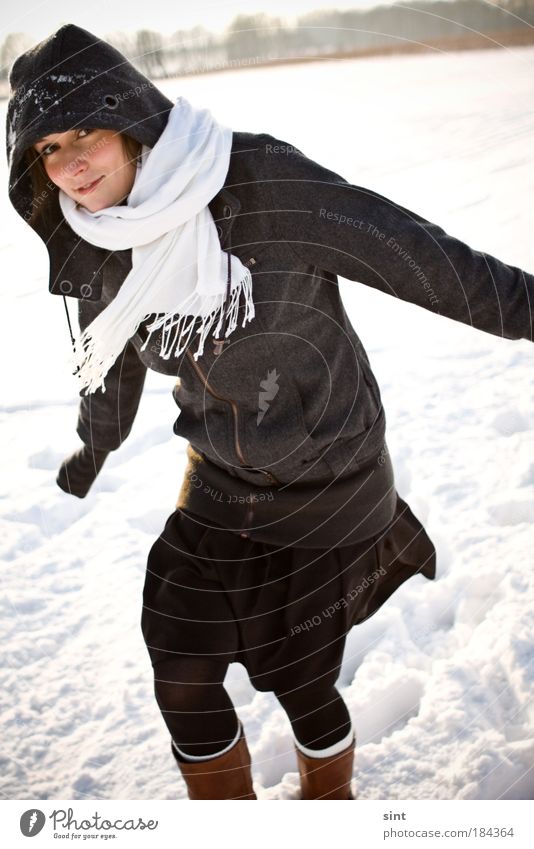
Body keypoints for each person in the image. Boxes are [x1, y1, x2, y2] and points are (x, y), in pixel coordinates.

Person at [6, 24, 533, 801]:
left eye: (86, 129)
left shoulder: (259, 179)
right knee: (179, 663)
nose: (72, 163)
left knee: (302, 679)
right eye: (49, 147)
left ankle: (328, 803)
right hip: (218, 477)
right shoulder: (94, 243)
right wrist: (92, 450)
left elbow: (428, 261)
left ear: (133, 119)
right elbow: (109, 368)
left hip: (330, 481)